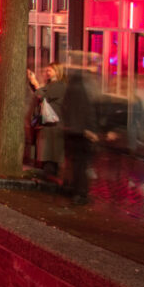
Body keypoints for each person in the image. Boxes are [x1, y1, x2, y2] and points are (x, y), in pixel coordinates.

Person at [60, 63, 98, 204]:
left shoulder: (70, 91)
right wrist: (92, 130)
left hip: (71, 131)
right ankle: (81, 193)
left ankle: (72, 187)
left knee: (74, 163)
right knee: (83, 164)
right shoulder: (85, 92)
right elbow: (89, 113)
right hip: (83, 132)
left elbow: (64, 109)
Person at [27, 63, 66, 178]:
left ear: (58, 72)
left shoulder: (59, 86)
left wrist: (35, 83)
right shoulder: (52, 85)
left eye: (50, 70)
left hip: (53, 125)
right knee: (48, 156)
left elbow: (43, 97)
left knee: (50, 156)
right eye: (47, 70)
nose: (47, 73)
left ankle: (50, 180)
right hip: (49, 125)